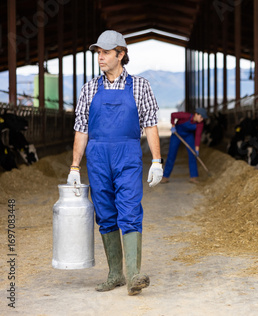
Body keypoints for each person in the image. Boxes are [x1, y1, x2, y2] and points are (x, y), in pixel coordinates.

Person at [67, 30, 163, 296]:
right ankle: (115, 275)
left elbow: (150, 125)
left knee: (130, 211)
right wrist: (75, 166)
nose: (100, 57)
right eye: (98, 52)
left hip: (128, 155)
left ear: (121, 54)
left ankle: (133, 275)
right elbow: (81, 129)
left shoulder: (140, 86)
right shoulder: (89, 88)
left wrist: (157, 161)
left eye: (106, 52)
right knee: (106, 214)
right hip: (97, 158)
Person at [161, 108, 208, 184]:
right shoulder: (186, 115)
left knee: (193, 154)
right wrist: (173, 125)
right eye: (201, 117)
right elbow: (173, 115)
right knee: (171, 154)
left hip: (188, 135)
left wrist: (197, 149)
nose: (202, 119)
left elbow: (198, 136)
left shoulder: (200, 124)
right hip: (177, 134)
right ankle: (165, 176)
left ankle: (193, 177)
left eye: (203, 118)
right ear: (196, 114)